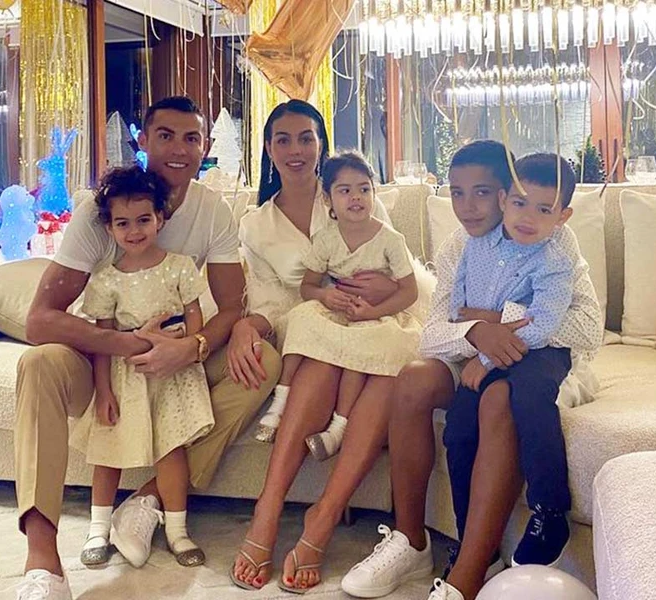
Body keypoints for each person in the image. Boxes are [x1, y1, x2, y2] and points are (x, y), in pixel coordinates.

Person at [13, 96, 279, 600]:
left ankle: (148, 499)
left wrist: (192, 347)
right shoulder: (101, 211)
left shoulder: (212, 210)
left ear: (204, 146)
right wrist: (124, 343)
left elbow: (230, 306)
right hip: (102, 358)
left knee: (263, 361)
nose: (179, 149)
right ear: (143, 141)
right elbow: (39, 320)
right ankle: (43, 559)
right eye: (166, 136)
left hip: (177, 357)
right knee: (38, 363)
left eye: (191, 138)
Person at [341, 141, 601, 600]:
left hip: (544, 364)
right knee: (413, 378)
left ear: (504, 192)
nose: (468, 207)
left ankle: (472, 568)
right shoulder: (459, 246)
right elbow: (433, 333)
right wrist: (480, 333)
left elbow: (587, 327)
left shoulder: (552, 240)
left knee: (499, 398)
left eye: (481, 192)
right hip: (472, 362)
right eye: (457, 193)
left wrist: (495, 321)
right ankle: (410, 540)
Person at [229, 100, 420, 593]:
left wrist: (380, 294)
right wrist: (248, 324)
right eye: (283, 139)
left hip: (375, 315)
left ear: (321, 145)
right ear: (268, 149)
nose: (295, 149)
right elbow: (271, 300)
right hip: (310, 322)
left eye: (306, 138)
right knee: (319, 365)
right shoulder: (255, 225)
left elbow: (396, 264)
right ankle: (267, 511)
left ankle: (323, 517)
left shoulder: (349, 189)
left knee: (388, 371)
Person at [70, 166, 213, 570]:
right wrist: (104, 390)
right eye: (123, 223)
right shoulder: (106, 279)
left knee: (172, 451)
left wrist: (186, 346)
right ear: (109, 227)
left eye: (143, 220)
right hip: (124, 375)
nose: (134, 231)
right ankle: (98, 528)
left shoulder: (179, 266)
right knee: (108, 452)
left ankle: (177, 531)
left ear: (160, 219)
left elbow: (194, 313)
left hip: (172, 374)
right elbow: (102, 339)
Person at [263, 151, 420, 463]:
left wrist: (373, 312)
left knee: (359, 349)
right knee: (301, 319)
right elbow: (307, 286)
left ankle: (338, 427)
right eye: (344, 190)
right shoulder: (326, 239)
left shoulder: (390, 239)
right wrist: (324, 296)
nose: (356, 197)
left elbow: (410, 292)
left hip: (376, 313)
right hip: (337, 309)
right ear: (328, 199)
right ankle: (280, 400)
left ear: (374, 192)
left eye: (364, 189)